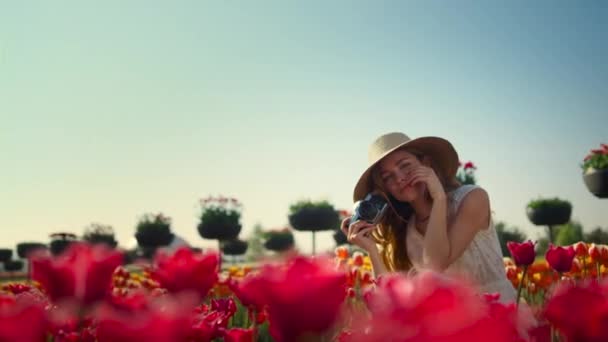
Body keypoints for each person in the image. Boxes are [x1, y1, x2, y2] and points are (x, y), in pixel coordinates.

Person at [341, 132, 516, 303]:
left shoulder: (472, 198)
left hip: (497, 316)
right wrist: (371, 249)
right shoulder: (407, 232)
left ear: (426, 163)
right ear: (385, 189)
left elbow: (436, 264)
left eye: (405, 165)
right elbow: (389, 302)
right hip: (452, 327)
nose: (400, 178)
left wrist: (439, 198)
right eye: (388, 177)